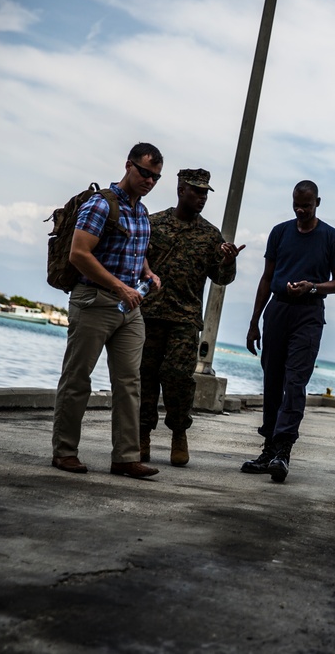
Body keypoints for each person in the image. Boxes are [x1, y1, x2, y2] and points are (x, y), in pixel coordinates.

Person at [51, 142, 164, 479]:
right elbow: (79, 254)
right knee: (77, 379)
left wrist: (146, 272)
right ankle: (65, 452)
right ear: (128, 166)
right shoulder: (101, 205)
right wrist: (120, 286)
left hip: (129, 309)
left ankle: (126, 458)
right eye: (144, 172)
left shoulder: (141, 212)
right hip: (94, 301)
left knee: (130, 383)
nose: (149, 180)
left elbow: (134, 249)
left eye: (155, 177)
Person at [241, 180, 335, 482]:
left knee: (295, 382)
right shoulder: (280, 232)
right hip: (277, 310)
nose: (301, 210)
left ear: (318, 203)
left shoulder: (332, 238)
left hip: (309, 314)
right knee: (272, 381)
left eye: (307, 205)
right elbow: (266, 277)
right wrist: (253, 323)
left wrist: (312, 287)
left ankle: (283, 452)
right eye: (296, 205)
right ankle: (268, 450)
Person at [138, 168, 245, 467]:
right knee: (144, 378)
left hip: (185, 320)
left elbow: (221, 278)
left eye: (205, 193)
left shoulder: (210, 235)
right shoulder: (153, 224)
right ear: (181, 189)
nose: (201, 198)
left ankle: (179, 434)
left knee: (178, 378)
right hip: (149, 315)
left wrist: (228, 262)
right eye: (196, 191)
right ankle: (142, 435)